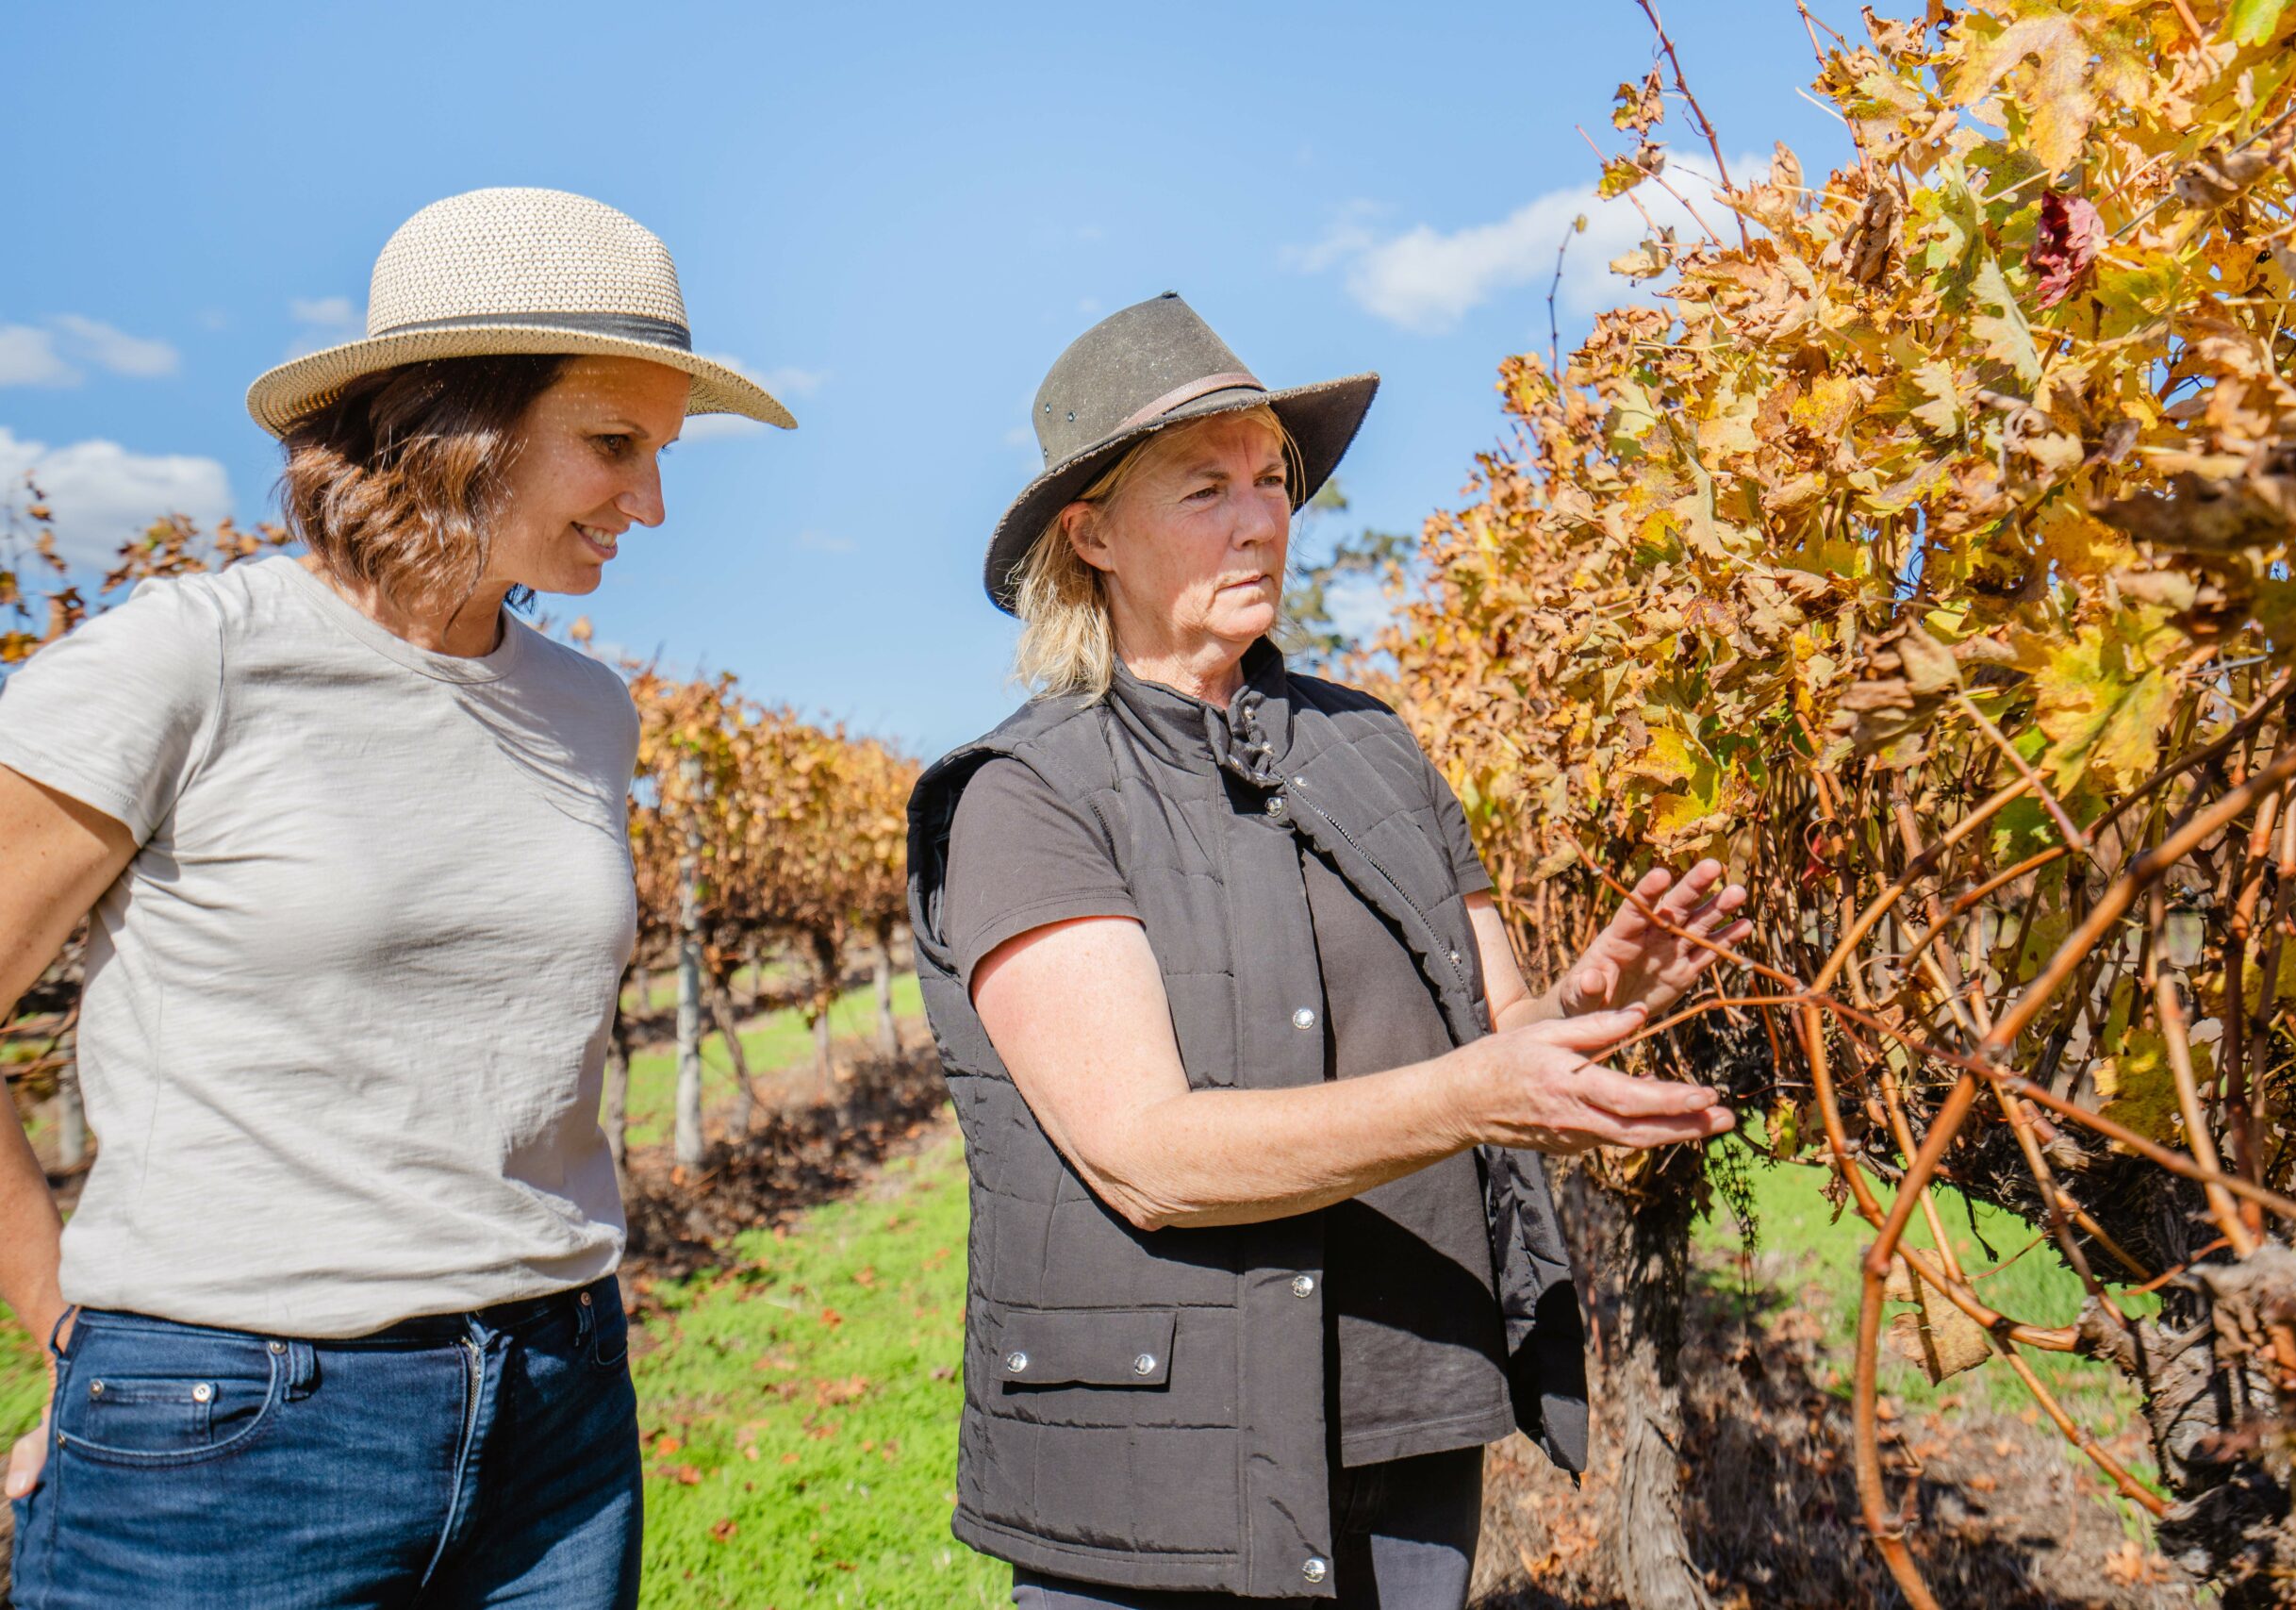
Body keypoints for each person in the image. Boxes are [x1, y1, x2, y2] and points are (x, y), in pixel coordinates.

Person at [0, 187, 794, 1608]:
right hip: (233, 1422)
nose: (653, 503)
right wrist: (71, 1325)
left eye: (662, 454)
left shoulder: (587, 709)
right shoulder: (186, 662)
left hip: (556, 1403)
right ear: (451, 427)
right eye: (614, 445)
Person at [906, 292, 1746, 1608]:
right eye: (1204, 489)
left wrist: (1584, 1007)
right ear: (1093, 536)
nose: (1259, 518)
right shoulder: (1031, 794)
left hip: (1407, 1411)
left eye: (1270, 480)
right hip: (1156, 1470)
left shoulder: (1374, 748)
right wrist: (1477, 1094)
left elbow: (1496, 1039)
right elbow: (1147, 1157)